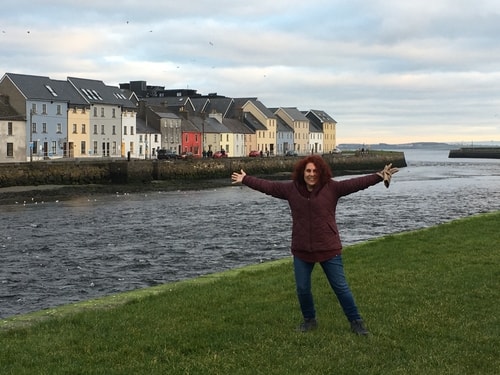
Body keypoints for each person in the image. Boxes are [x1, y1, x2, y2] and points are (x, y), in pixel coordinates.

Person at [231, 155, 398, 335]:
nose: (311, 174)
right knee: (303, 289)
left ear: (321, 173)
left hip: (328, 248)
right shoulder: (291, 189)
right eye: (308, 171)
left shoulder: (332, 188)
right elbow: (269, 187)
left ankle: (356, 322)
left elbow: (355, 183)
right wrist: (245, 179)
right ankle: (309, 321)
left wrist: (379, 176)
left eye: (315, 171)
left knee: (340, 288)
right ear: (302, 172)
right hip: (302, 250)